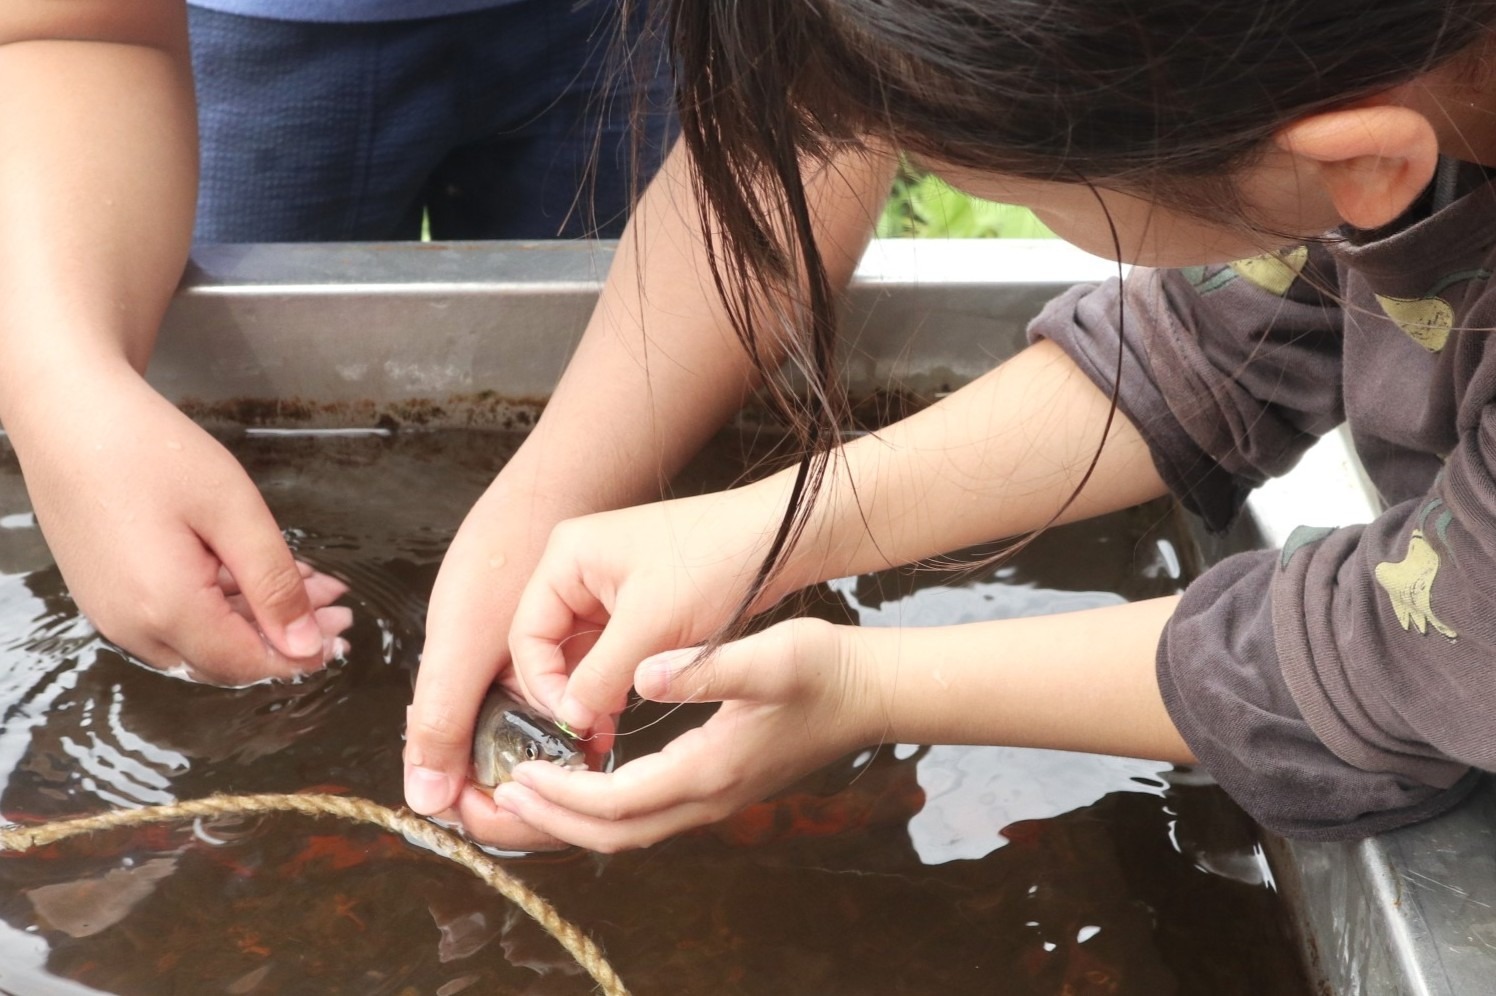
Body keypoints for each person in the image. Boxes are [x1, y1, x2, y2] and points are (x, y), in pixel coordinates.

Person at [402, 0, 1496, 852]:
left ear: (1359, 161)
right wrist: (771, 527)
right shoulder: (1371, 58)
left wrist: (865, 689)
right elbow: (1226, 332)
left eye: (1031, 196)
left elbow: (1407, 650)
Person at [0, 1, 666, 701]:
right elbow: (58, 26)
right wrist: (68, 393)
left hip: (639, 27)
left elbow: (776, 166)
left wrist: (562, 486)